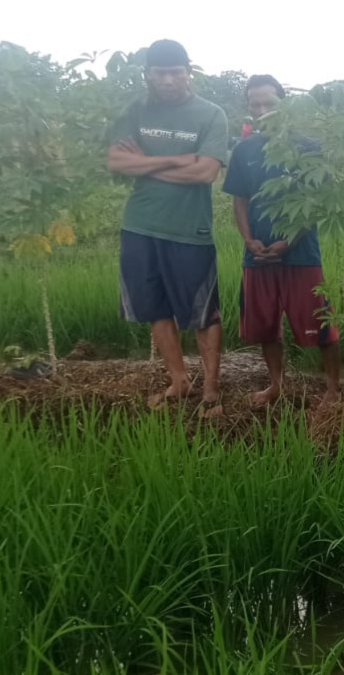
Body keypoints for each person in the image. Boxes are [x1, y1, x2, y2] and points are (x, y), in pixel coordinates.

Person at [106, 39, 229, 417]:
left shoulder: (211, 114)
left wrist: (146, 162)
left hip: (189, 231)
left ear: (189, 72)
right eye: (160, 73)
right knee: (154, 308)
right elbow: (117, 161)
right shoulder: (135, 111)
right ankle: (179, 380)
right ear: (148, 75)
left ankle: (211, 388)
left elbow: (205, 172)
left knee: (203, 313)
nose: (169, 80)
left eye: (176, 72)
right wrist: (177, 160)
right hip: (140, 226)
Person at [222, 74, 342, 411]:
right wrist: (248, 240)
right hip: (257, 256)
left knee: (321, 326)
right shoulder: (243, 150)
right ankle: (276, 385)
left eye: (269, 103)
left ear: (283, 104)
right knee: (265, 328)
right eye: (255, 104)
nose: (262, 110)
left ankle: (333, 390)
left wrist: (288, 242)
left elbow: (314, 203)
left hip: (301, 255)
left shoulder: (307, 147)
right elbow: (240, 201)